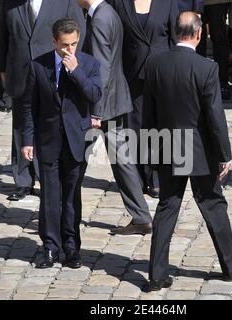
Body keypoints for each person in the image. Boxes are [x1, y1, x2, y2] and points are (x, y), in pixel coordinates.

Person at [143, 11, 232, 291]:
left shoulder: (155, 64)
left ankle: (156, 274)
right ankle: (230, 268)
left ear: (176, 33)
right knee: (212, 203)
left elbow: (147, 113)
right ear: (199, 34)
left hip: (167, 147)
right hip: (199, 151)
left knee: (167, 207)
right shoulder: (206, 68)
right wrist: (225, 154)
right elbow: (215, 118)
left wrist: (151, 150)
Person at [21, 18, 101, 269]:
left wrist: (76, 71)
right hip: (48, 141)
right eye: (65, 45)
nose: (70, 49)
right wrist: (26, 140)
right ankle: (50, 247)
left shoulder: (89, 64)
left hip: (76, 141)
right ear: (54, 41)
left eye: (74, 44)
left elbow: (94, 95)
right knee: (49, 197)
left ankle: (71, 247)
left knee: (71, 198)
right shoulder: (38, 66)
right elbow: (27, 107)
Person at [0, 0, 85, 201]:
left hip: (51, 70)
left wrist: (75, 67)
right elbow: (2, 35)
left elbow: (79, 34)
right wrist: (1, 68)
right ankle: (23, 180)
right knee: (20, 123)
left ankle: (48, 177)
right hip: (20, 70)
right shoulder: (10, 2)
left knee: (49, 124)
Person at [78, 0, 153, 236]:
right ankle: (141, 216)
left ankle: (61, 210)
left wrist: (95, 110)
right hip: (115, 99)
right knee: (122, 160)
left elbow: (102, 68)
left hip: (101, 104)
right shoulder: (108, 13)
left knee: (73, 155)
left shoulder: (100, 19)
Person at [107, 0, 179, 199]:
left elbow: (174, 38)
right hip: (131, 72)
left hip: (161, 73)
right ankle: (136, 177)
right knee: (134, 127)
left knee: (158, 126)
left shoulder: (168, 3)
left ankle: (156, 176)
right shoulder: (118, 2)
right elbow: (113, 35)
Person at [199, 0, 232, 100]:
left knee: (219, 38)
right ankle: (198, 80)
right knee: (197, 40)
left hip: (217, 2)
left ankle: (222, 82)